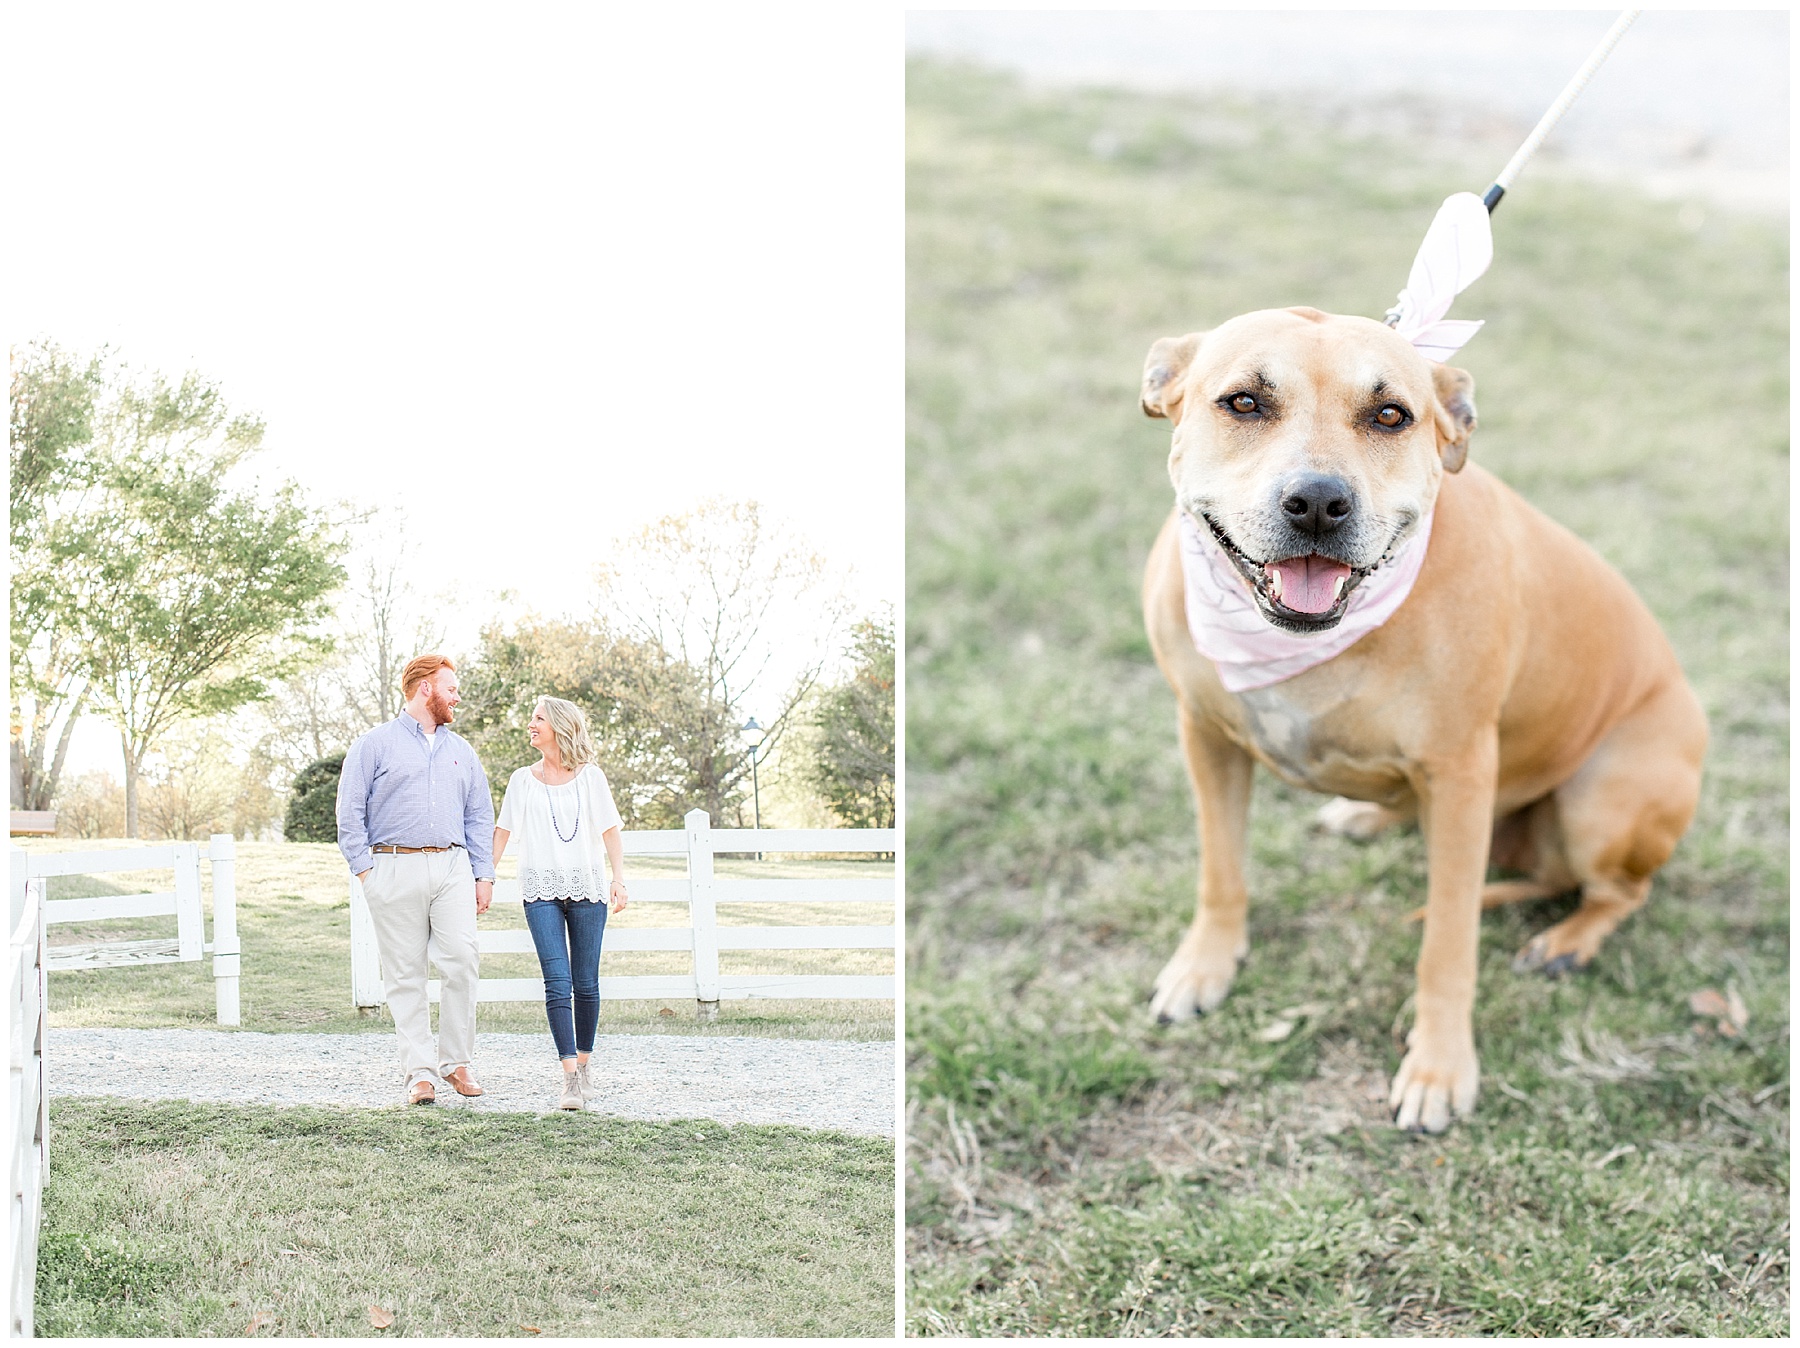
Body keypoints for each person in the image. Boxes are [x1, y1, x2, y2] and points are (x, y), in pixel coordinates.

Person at [336, 654, 496, 1105]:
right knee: (405, 974)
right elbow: (349, 812)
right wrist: (367, 872)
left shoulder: (462, 751)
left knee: (462, 958)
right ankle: (419, 1074)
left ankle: (456, 1062)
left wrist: (483, 874)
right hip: (392, 867)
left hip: (452, 867)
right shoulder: (373, 745)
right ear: (426, 688)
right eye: (451, 688)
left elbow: (479, 816)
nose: (457, 697)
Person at [492, 695, 628, 1110]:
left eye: (538, 718)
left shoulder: (592, 778)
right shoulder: (521, 780)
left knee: (585, 983)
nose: (530, 725)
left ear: (559, 726)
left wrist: (619, 879)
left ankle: (584, 1065)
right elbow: (502, 831)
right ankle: (569, 1077)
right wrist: (484, 877)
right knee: (556, 981)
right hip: (540, 891)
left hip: (588, 889)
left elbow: (610, 830)